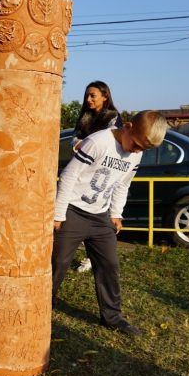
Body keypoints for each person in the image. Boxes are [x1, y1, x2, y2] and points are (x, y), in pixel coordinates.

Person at [51, 111, 168, 337]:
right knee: (58, 263)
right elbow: (68, 177)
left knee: (109, 266)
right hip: (73, 211)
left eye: (143, 150)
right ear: (128, 127)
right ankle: (43, 307)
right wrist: (58, 214)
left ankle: (112, 317)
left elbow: (123, 184)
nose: (136, 151)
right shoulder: (98, 142)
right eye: (135, 144)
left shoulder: (136, 152)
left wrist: (116, 213)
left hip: (100, 216)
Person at [72, 81, 123, 273]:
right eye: (87, 96)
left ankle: (93, 257)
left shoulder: (113, 118)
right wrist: (80, 144)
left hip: (104, 173)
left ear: (105, 96)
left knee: (99, 216)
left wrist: (85, 144)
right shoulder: (84, 116)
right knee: (81, 213)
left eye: (93, 95)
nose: (88, 100)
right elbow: (75, 138)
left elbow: (112, 141)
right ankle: (88, 253)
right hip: (83, 170)